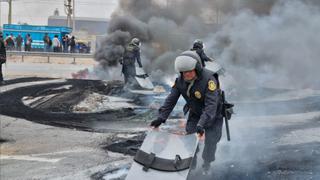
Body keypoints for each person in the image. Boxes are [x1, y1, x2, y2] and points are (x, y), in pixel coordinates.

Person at [150, 50, 223, 175]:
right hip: (195, 113)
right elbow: (171, 100)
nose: (186, 75)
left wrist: (202, 124)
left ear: (197, 69)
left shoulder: (209, 80)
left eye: (189, 71)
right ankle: (191, 164)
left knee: (211, 142)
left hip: (213, 116)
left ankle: (207, 164)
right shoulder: (180, 81)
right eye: (183, 72)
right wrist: (161, 118)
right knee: (190, 139)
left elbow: (211, 106)